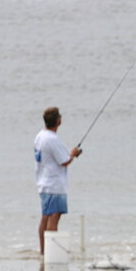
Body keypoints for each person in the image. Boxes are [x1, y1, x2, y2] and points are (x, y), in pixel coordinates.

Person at [34, 107, 81, 256]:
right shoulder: (52, 139)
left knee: (45, 218)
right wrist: (73, 154)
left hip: (43, 182)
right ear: (57, 121)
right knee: (54, 218)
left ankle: (44, 251)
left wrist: (69, 155)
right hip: (54, 184)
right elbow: (64, 161)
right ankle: (51, 253)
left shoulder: (40, 136)